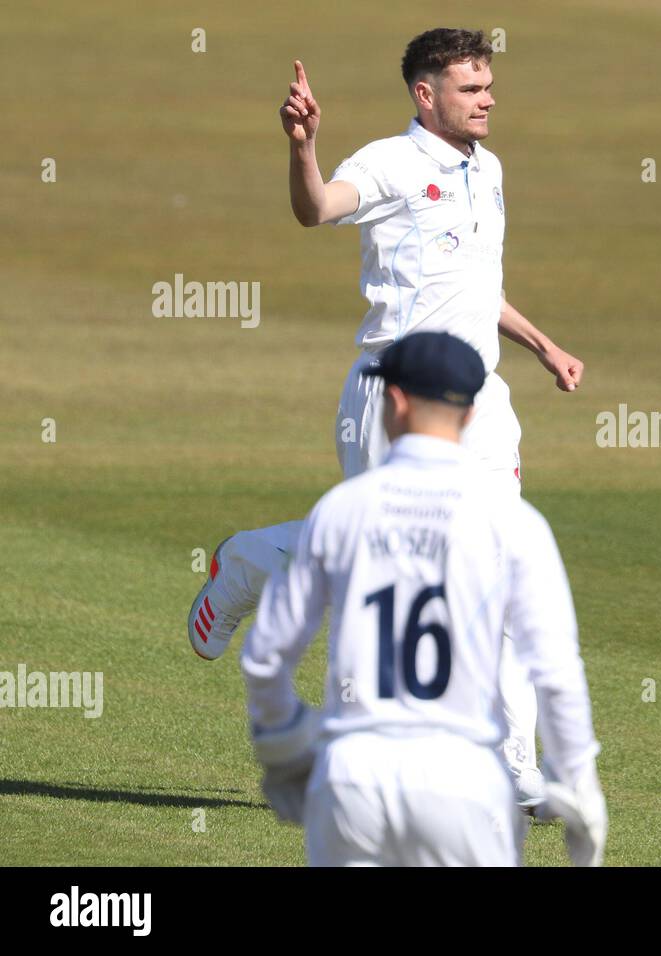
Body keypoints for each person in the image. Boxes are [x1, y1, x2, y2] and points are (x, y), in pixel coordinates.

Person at [189, 29, 585, 809]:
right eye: (471, 89)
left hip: (482, 401)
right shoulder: (389, 162)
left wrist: (542, 345)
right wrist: (304, 147)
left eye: (489, 85)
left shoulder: (489, 169)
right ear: (425, 94)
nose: (488, 100)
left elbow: (474, 280)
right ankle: (243, 565)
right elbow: (317, 210)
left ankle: (512, 764)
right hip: (392, 396)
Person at [241, 331, 605, 866]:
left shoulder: (342, 510)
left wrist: (284, 751)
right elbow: (555, 672)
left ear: (395, 401)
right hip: (465, 788)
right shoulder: (516, 525)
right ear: (471, 413)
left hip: (353, 782)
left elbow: (267, 657)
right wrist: (579, 793)